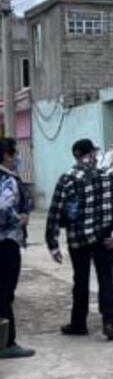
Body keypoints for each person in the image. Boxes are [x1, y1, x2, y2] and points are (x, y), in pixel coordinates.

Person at [45, 138, 113, 342]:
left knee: (80, 281)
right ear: (92, 153)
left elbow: (55, 212)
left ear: (75, 155)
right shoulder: (108, 176)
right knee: (106, 279)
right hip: (106, 237)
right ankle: (109, 322)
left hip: (78, 238)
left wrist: (53, 244)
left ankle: (78, 323)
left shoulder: (68, 178)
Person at [0, 138, 35, 359]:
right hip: (6, 242)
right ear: (7, 155)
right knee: (5, 294)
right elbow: (3, 207)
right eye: (15, 154)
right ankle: (7, 342)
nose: (18, 159)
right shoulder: (7, 179)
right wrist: (19, 218)